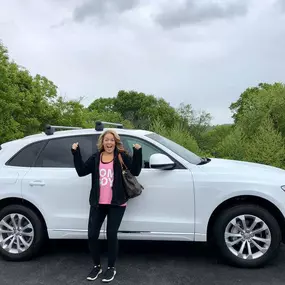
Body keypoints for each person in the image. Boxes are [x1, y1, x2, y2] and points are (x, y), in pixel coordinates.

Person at [71, 129, 142, 283]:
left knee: (111, 235)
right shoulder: (96, 158)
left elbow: (136, 171)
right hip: (98, 203)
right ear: (102, 142)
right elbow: (81, 171)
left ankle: (111, 268)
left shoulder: (121, 156)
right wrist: (75, 153)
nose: (109, 142)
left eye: (111, 140)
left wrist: (138, 152)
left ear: (115, 142)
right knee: (92, 235)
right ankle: (97, 266)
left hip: (117, 203)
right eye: (106, 140)